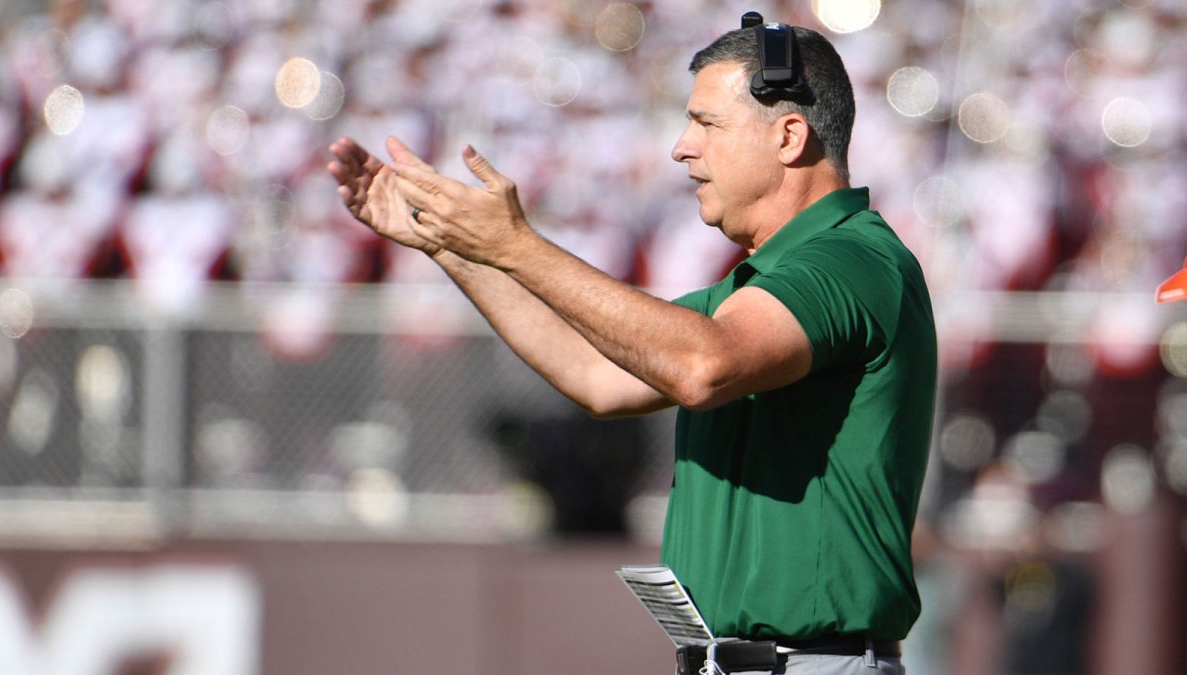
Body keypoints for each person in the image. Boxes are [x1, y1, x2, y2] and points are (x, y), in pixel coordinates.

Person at [328, 17, 936, 675]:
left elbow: (702, 365)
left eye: (707, 124)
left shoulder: (851, 258)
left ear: (788, 136)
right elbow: (597, 374)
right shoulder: (756, 287)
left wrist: (515, 244)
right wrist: (451, 245)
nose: (681, 148)